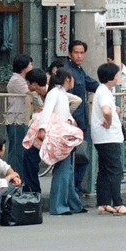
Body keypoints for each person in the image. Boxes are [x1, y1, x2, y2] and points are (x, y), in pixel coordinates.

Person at [24, 68, 85, 215]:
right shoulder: (55, 93)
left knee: (66, 170)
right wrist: (42, 128)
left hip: (61, 133)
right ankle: (60, 206)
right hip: (58, 135)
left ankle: (72, 204)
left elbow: (60, 112)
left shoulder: (59, 93)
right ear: (67, 79)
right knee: (64, 170)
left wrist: (69, 120)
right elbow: (47, 111)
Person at [92, 62, 126, 216]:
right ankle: (117, 202)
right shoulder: (104, 92)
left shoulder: (103, 90)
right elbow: (106, 111)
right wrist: (109, 121)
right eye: (116, 75)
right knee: (115, 170)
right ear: (111, 77)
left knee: (104, 169)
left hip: (101, 137)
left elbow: (109, 109)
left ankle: (103, 202)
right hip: (108, 137)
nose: (118, 78)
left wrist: (114, 110)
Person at [64, 40, 99, 194]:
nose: (79, 56)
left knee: (82, 155)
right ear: (70, 54)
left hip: (82, 120)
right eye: (76, 52)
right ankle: (72, 189)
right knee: (72, 157)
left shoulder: (79, 70)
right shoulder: (66, 71)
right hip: (73, 122)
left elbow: (92, 84)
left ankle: (76, 187)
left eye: (81, 53)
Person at [6, 54, 33, 174]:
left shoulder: (21, 80)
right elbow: (31, 92)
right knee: (16, 152)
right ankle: (15, 181)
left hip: (21, 118)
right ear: (24, 67)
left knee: (21, 151)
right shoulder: (17, 80)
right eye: (30, 65)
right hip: (16, 120)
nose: (32, 67)